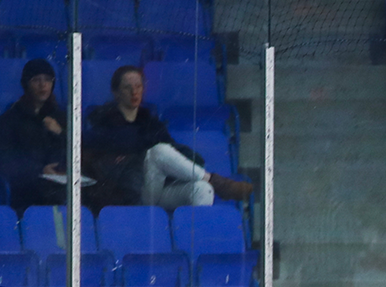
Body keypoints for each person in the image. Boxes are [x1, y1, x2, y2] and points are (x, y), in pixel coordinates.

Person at [83, 65, 253, 209]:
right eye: (127, 87)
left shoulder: (151, 123)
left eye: (138, 86)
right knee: (159, 150)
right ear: (116, 92)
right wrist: (144, 147)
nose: (134, 92)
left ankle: (196, 246)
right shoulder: (105, 122)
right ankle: (219, 183)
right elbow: (123, 141)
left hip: (157, 188)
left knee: (202, 189)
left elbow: (171, 148)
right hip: (129, 192)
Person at [0, 59, 67, 211]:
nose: (43, 85)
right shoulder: (10, 119)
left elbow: (76, 149)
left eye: (47, 80)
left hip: (60, 184)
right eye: (36, 80)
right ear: (26, 84)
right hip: (28, 186)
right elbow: (6, 159)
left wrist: (60, 133)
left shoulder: (61, 117)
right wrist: (40, 171)